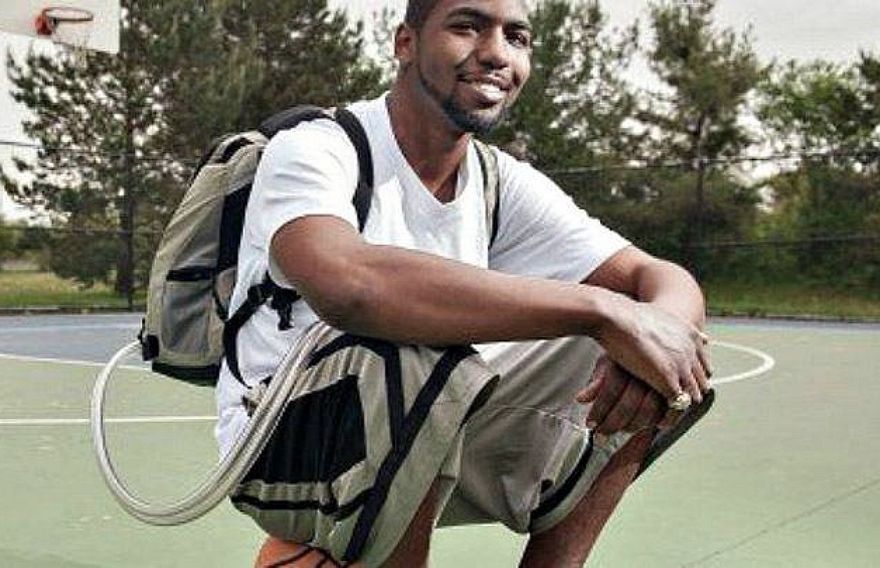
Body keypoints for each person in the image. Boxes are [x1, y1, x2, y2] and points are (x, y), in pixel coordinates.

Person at [215, 0, 712, 566]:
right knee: (411, 349)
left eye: (516, 37)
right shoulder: (318, 146)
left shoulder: (498, 179)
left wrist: (654, 334)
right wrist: (601, 310)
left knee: (656, 351)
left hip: (422, 422)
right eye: (467, 26)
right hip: (279, 442)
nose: (497, 53)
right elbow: (350, 286)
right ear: (406, 42)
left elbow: (659, 276)